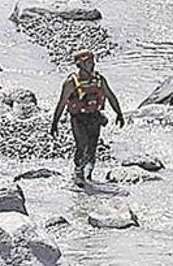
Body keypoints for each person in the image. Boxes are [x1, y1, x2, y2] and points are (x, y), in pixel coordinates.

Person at [50, 50, 125, 187]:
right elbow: (61, 102)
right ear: (80, 64)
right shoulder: (71, 82)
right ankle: (78, 172)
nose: (92, 64)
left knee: (92, 147)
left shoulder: (99, 80)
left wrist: (119, 113)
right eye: (88, 62)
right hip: (78, 118)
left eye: (92, 61)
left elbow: (110, 96)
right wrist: (55, 122)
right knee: (82, 144)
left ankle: (89, 174)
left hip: (94, 116)